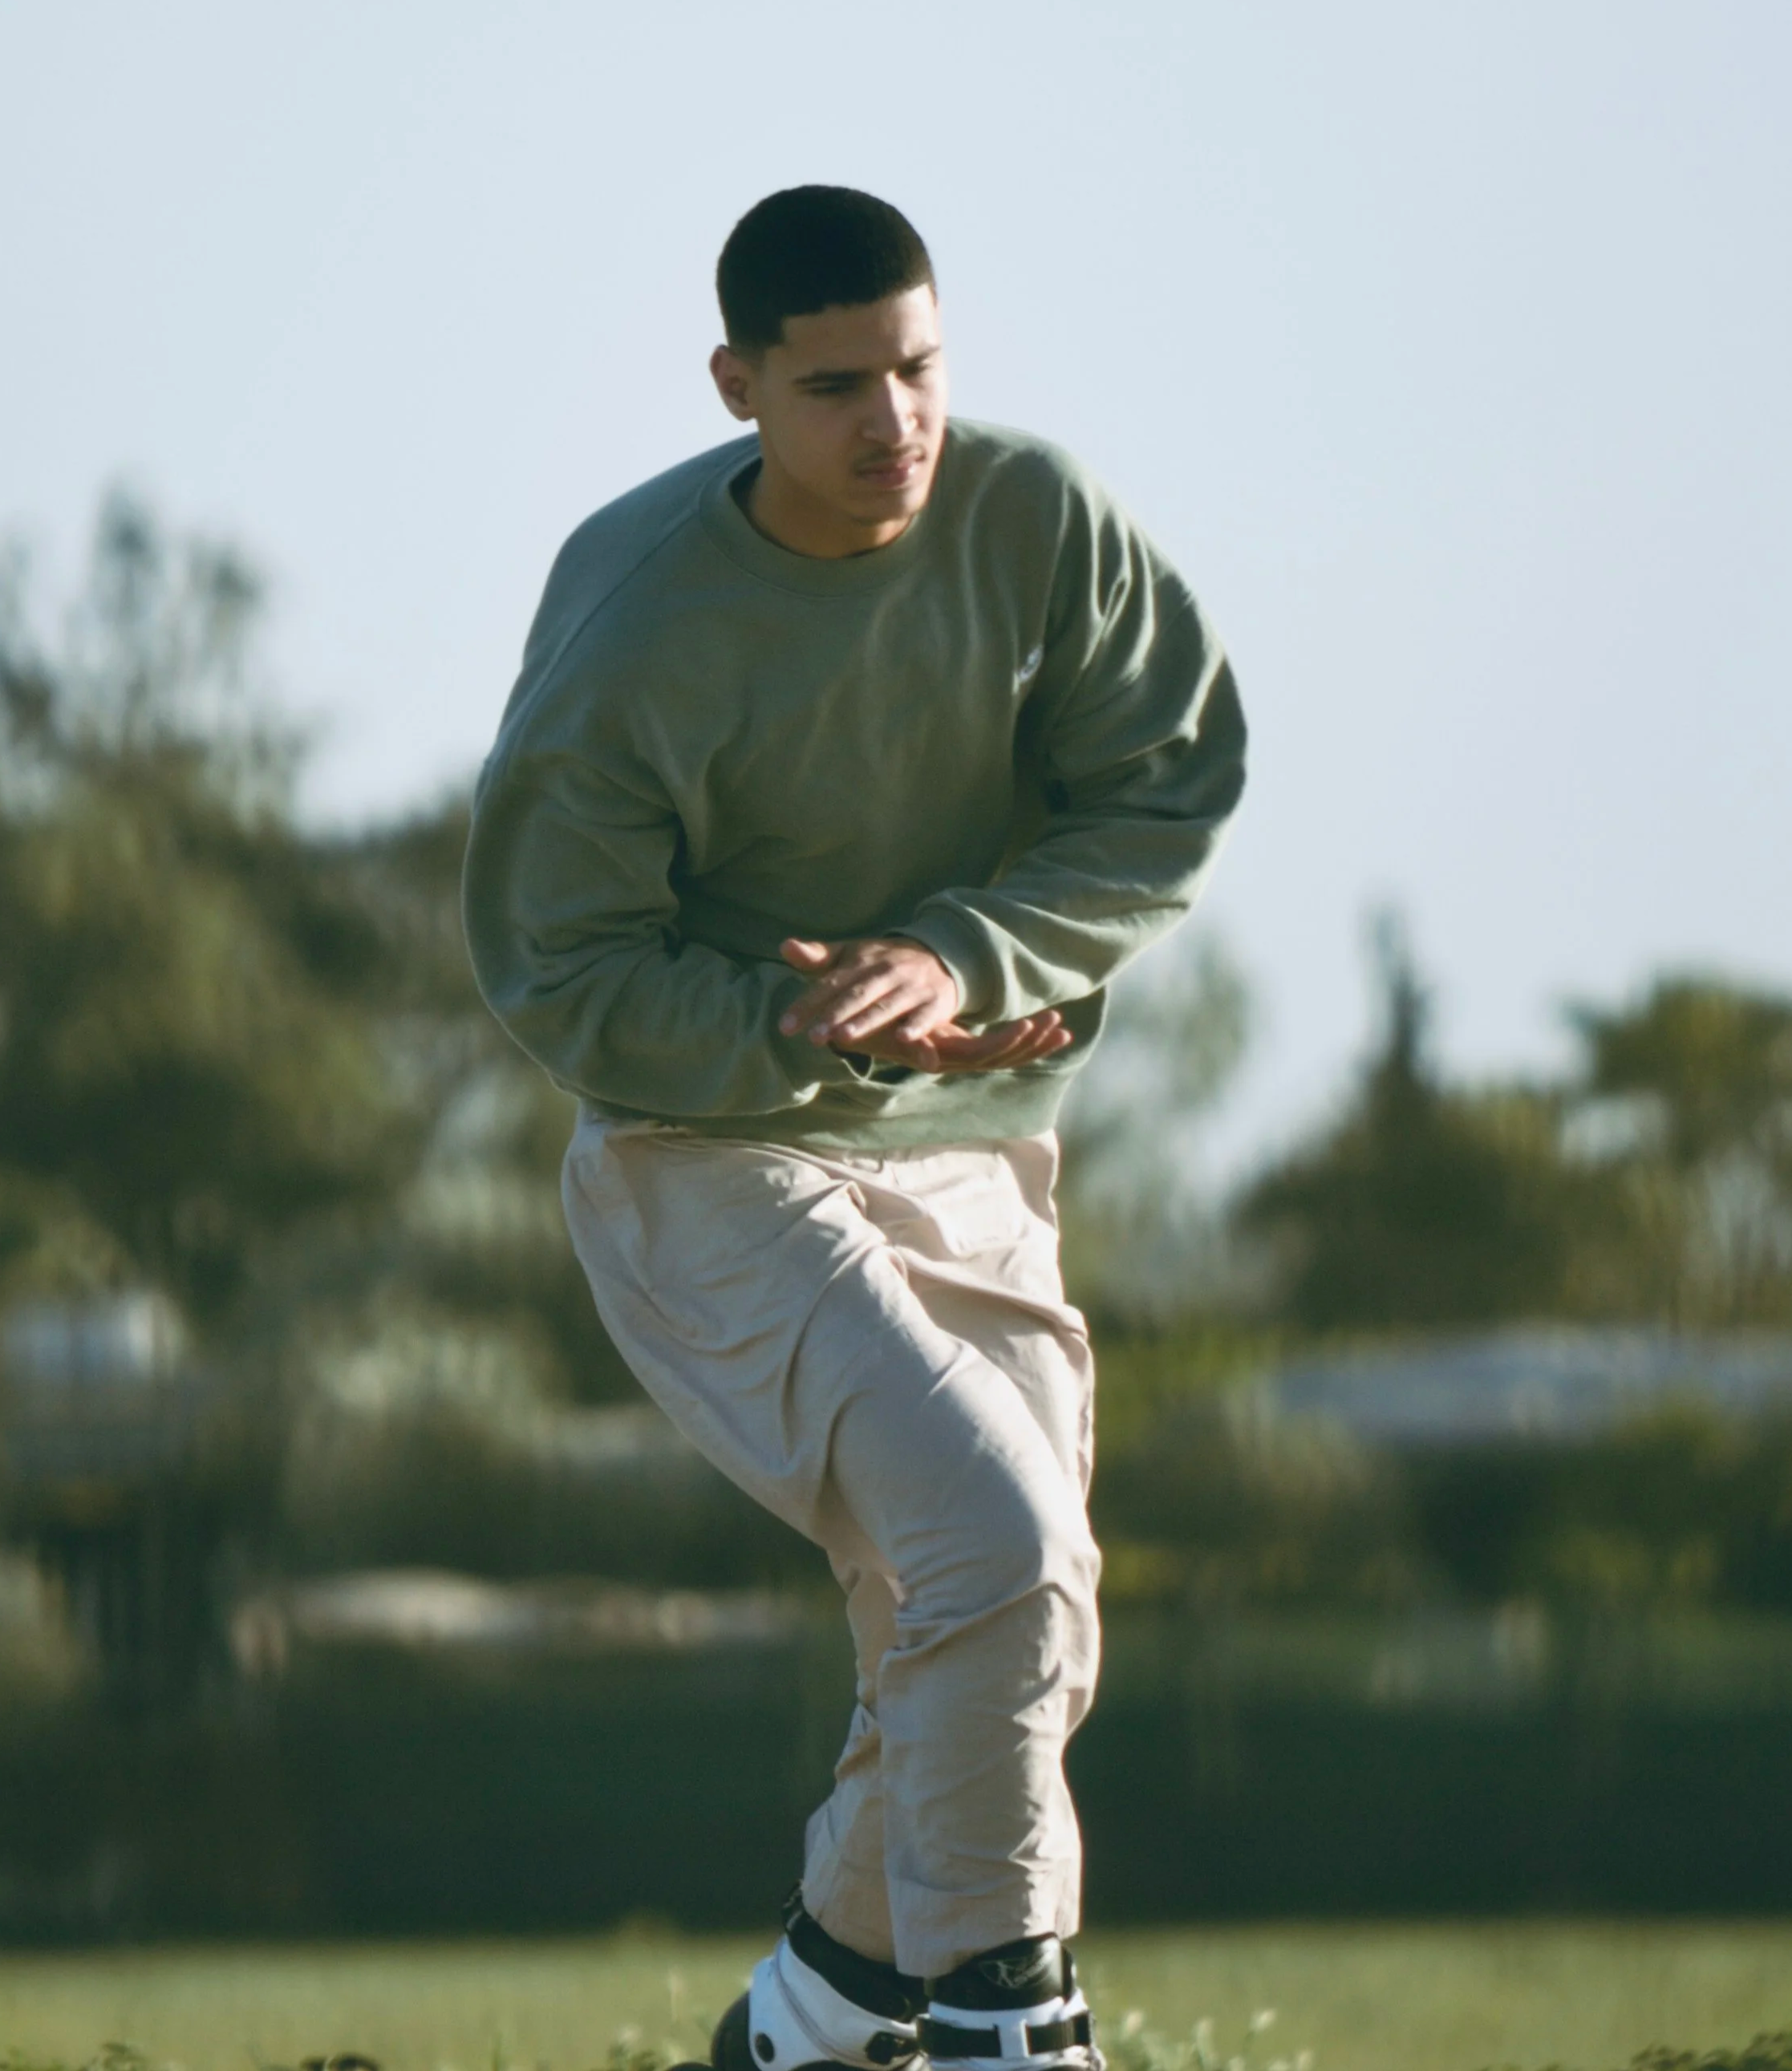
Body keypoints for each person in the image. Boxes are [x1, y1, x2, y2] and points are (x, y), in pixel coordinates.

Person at [462, 184, 1246, 2071]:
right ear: (735, 383)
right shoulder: (642, 620)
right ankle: (1009, 2019)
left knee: (1012, 1615)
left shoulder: (1033, 517)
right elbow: (555, 968)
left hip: (982, 1150)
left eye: (918, 367)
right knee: (993, 1545)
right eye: (833, 387)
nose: (892, 422)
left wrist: (963, 957)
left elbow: (1166, 781)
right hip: (705, 1159)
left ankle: (812, 2012)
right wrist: (842, 1029)